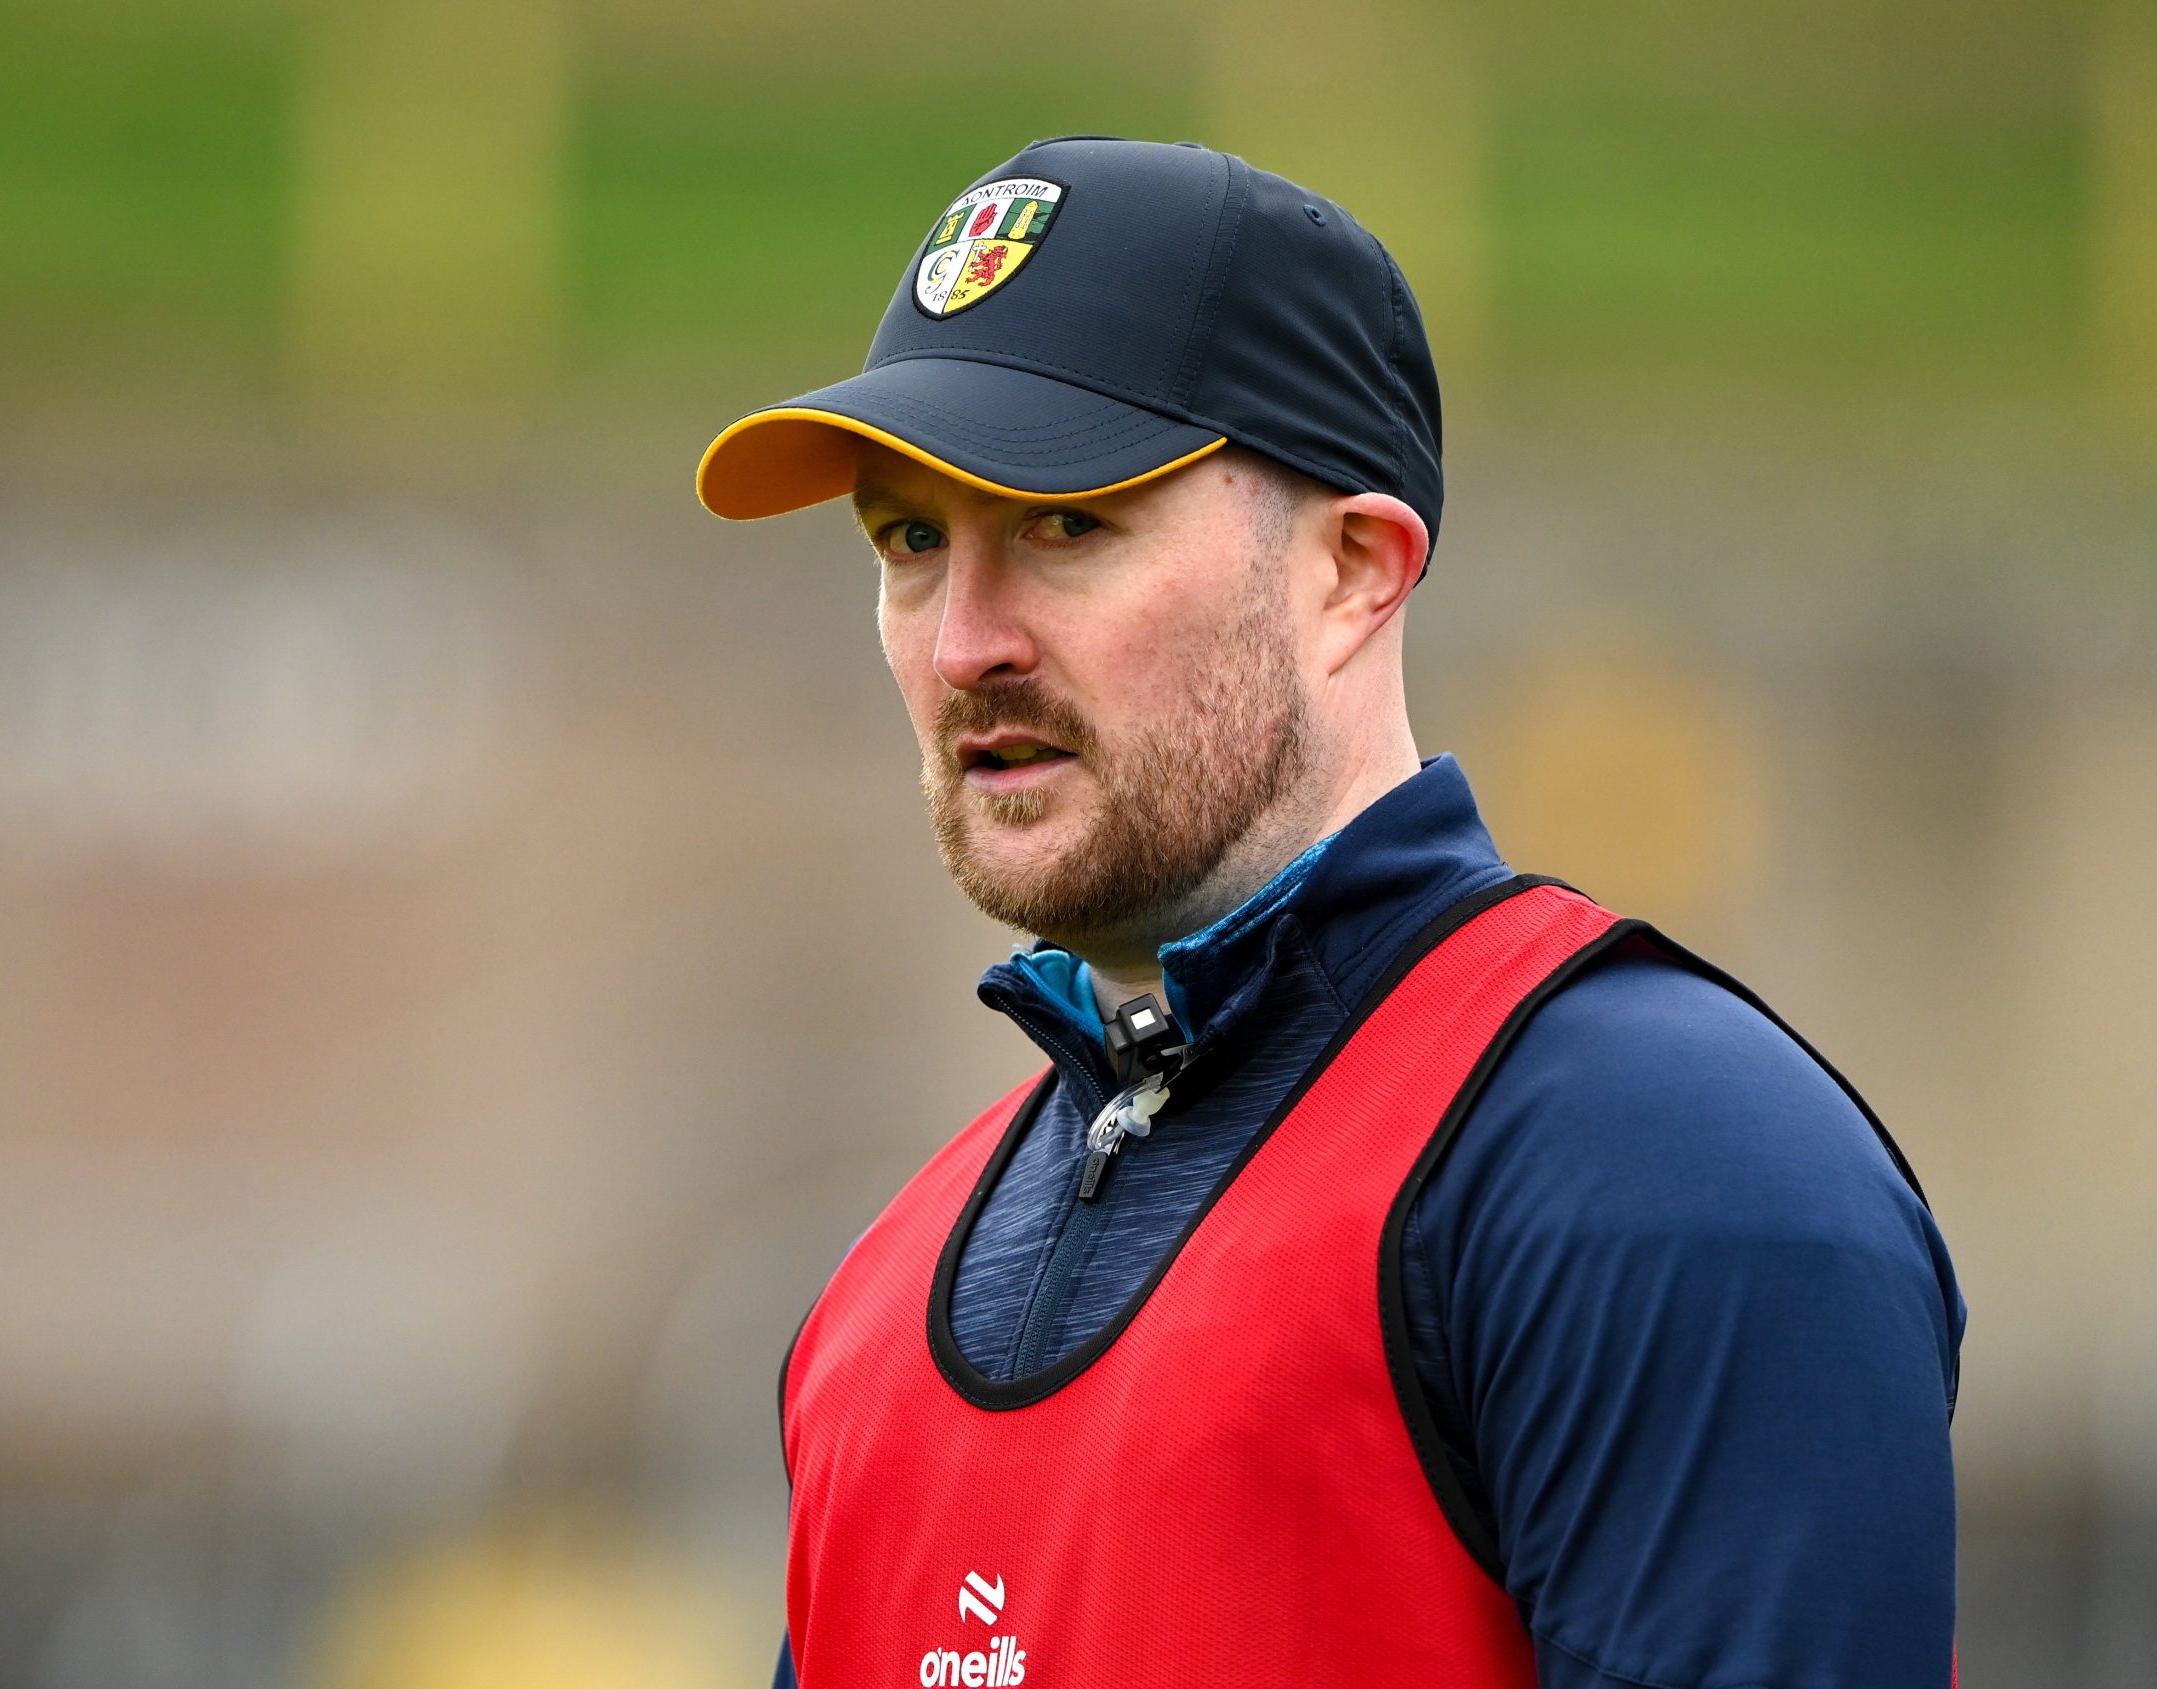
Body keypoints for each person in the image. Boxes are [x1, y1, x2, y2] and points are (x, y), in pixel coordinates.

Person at [695, 136, 1962, 1689]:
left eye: (1066, 523)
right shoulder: (866, 1319)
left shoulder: (1663, 1169)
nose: (965, 644)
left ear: (1355, 569)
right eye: (909, 539)